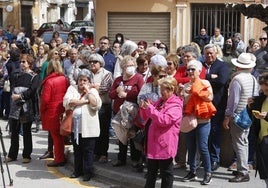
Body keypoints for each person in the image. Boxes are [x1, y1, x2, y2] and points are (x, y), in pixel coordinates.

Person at [140, 77, 183, 188]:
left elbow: (164, 120)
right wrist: (144, 108)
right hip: (154, 144)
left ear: (171, 90)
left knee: (166, 174)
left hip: (165, 145)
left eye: (163, 89)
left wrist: (150, 109)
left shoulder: (176, 105)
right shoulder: (159, 102)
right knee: (151, 174)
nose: (160, 91)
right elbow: (148, 117)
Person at [223, 52, 259, 182]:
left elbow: (233, 101)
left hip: (238, 115)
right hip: (248, 114)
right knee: (244, 142)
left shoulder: (237, 79)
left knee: (239, 143)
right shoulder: (253, 78)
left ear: (238, 66)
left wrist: (227, 116)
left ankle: (243, 171)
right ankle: (243, 168)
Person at [63, 69, 102, 181]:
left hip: (88, 128)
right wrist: (85, 102)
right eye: (80, 80)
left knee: (88, 152)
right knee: (77, 151)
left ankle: (88, 172)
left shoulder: (92, 91)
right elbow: (68, 102)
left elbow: (95, 104)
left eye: (85, 80)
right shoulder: (72, 88)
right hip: (75, 128)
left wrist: (88, 91)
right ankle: (77, 171)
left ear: (89, 81)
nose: (82, 82)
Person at [181, 60, 216, 185]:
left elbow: (210, 97)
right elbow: (184, 104)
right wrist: (185, 93)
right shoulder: (185, 86)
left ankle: (208, 173)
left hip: (203, 120)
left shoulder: (205, 82)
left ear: (199, 71)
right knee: (191, 147)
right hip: (190, 121)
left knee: (202, 147)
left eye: (193, 69)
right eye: (189, 69)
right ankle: (192, 171)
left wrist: (195, 90)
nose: (190, 71)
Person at [109, 55, 144, 167]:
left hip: (132, 113)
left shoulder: (138, 78)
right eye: (128, 65)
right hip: (118, 113)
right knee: (121, 136)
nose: (131, 67)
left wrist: (127, 95)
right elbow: (111, 94)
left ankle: (135, 159)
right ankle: (121, 159)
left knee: (133, 135)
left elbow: (142, 93)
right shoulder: (118, 80)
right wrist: (117, 92)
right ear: (123, 67)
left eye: (132, 65)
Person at [5, 53, 39, 164]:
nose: (21, 64)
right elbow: (13, 87)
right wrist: (14, 95)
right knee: (14, 131)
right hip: (15, 106)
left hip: (26, 107)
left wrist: (20, 96)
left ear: (29, 63)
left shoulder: (34, 76)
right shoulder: (16, 75)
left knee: (26, 131)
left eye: (23, 62)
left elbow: (32, 91)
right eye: (20, 62)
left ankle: (27, 155)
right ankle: (12, 154)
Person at [203, 44, 230, 171]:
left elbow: (222, 81)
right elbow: (196, 78)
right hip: (202, 106)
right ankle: (205, 159)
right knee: (204, 134)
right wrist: (210, 77)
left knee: (214, 132)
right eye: (207, 53)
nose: (209, 55)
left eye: (211, 53)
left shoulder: (222, 66)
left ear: (216, 53)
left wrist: (206, 78)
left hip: (217, 105)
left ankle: (215, 159)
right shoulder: (202, 65)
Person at [40, 59, 69, 167]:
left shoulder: (49, 81)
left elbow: (45, 100)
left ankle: (59, 158)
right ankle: (60, 156)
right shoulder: (64, 79)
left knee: (56, 137)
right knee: (60, 136)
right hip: (62, 109)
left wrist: (41, 110)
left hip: (52, 111)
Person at [86, 53, 114, 163]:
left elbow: (103, 88)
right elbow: (81, 87)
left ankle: (103, 153)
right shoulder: (87, 74)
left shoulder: (107, 74)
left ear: (101, 63)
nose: (92, 64)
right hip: (90, 106)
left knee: (103, 131)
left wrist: (90, 87)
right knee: (92, 131)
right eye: (90, 62)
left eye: (95, 62)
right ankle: (95, 152)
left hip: (103, 106)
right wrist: (94, 86)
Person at [247, 72, 268, 187]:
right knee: (265, 175)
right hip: (262, 139)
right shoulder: (262, 99)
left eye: (267, 90)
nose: (264, 93)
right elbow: (255, 115)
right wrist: (250, 107)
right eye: (263, 90)